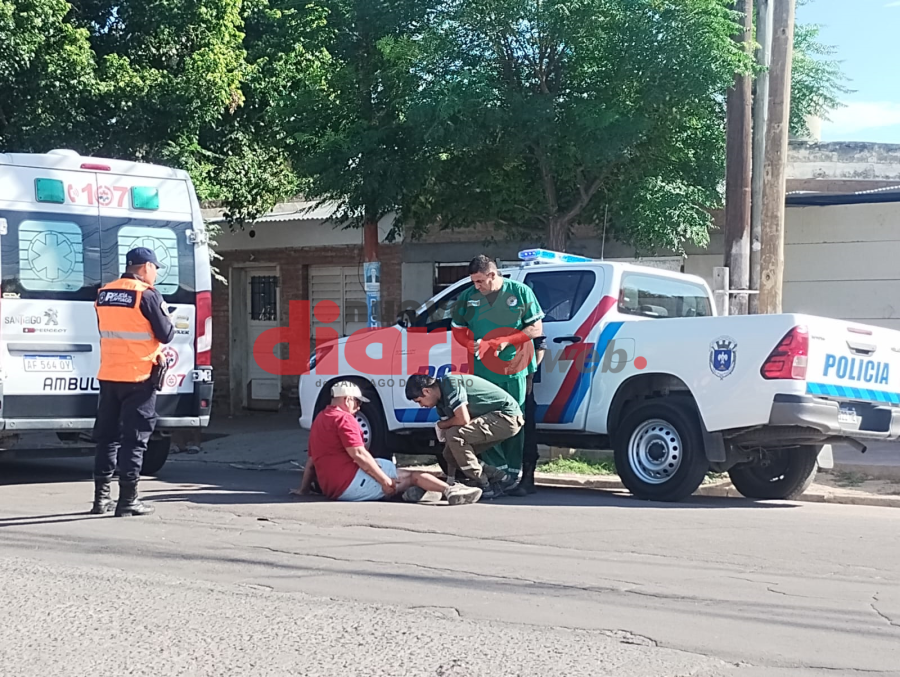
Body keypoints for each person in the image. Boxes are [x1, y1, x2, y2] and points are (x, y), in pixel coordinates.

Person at [293, 381, 482, 506]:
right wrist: (385, 481)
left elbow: (311, 460)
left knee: (403, 472)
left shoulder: (320, 418)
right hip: (350, 485)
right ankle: (451, 491)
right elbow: (358, 455)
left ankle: (430, 490)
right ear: (347, 399)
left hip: (334, 485)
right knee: (410, 477)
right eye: (357, 403)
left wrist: (303, 489)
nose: (359, 408)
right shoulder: (344, 419)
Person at [91, 247, 174, 517]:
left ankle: (101, 499)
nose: (156, 273)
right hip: (138, 377)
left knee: (107, 439)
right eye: (155, 267)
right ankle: (128, 500)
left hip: (109, 376)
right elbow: (166, 334)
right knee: (134, 439)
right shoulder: (146, 295)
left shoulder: (104, 294)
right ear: (146, 266)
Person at [450, 255, 544, 493]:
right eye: (474, 281)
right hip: (482, 372)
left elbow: (535, 328)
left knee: (513, 420)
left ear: (493, 275)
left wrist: (507, 341)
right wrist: (469, 344)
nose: (477, 286)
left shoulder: (520, 292)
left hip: (514, 369)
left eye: (481, 281)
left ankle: (515, 473)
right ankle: (495, 472)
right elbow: (458, 329)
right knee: (483, 420)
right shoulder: (468, 297)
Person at [405, 373, 524, 500]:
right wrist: (450, 481)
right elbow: (450, 443)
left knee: (454, 435)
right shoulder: (440, 405)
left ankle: (484, 484)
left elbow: (462, 419)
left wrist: (440, 424)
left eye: (419, 401)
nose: (421, 406)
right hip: (496, 420)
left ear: (426, 391)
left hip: (507, 417)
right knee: (450, 453)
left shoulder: (450, 383)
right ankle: (502, 478)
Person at [507, 335, 546, 496]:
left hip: (520, 379)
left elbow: (540, 346)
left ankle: (528, 479)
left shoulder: (525, 314)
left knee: (526, 426)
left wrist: (530, 376)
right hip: (499, 377)